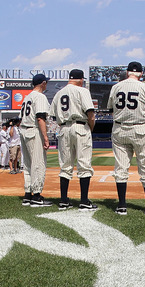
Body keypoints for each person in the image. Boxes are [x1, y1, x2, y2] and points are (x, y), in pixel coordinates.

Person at [108, 61, 145, 215]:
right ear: (141, 73)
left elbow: (111, 110)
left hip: (119, 128)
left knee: (121, 167)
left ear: (127, 72)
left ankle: (122, 205)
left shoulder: (116, 87)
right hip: (141, 127)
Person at [49, 68, 97, 211]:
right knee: (84, 164)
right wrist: (90, 128)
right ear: (81, 79)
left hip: (63, 128)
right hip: (81, 126)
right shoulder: (82, 91)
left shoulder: (58, 93)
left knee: (65, 165)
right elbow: (91, 114)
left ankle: (63, 200)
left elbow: (53, 116)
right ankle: (84, 201)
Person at [20, 74, 52, 207]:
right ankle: (37, 196)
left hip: (23, 130)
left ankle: (28, 194)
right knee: (38, 163)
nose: (47, 85)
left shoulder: (27, 97)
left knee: (27, 164)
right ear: (43, 83)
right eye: (46, 83)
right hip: (33, 130)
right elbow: (40, 117)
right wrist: (45, 137)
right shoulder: (40, 96)